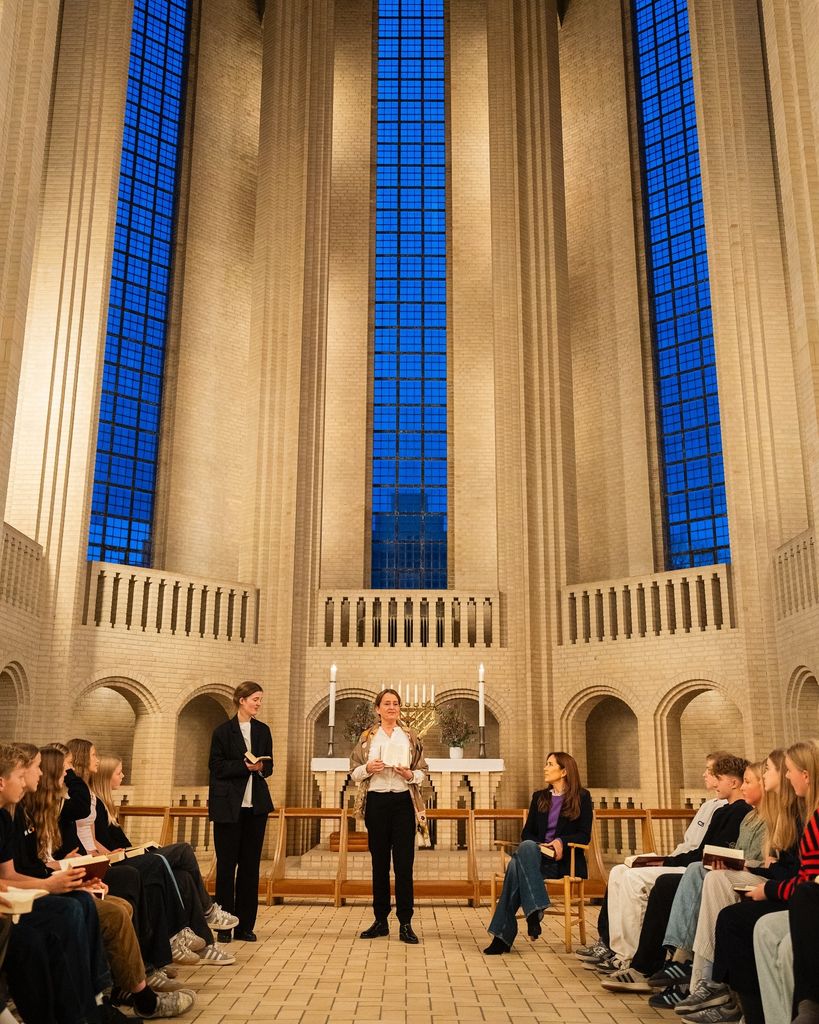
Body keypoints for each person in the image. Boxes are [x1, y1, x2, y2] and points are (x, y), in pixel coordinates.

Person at [578, 751, 729, 970]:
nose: (704, 774)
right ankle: (614, 946)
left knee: (634, 879)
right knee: (620, 870)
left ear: (727, 778)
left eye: (710, 771)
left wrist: (666, 862)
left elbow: (700, 853)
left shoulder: (726, 810)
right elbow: (688, 845)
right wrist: (664, 859)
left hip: (689, 866)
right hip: (679, 858)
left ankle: (629, 956)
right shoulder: (708, 806)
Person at [710, 740, 819, 1024]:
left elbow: (803, 878)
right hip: (798, 894)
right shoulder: (800, 814)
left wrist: (767, 887)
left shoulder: (803, 815)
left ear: (805, 775)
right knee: (754, 923)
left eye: (787, 770)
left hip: (800, 897)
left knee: (745, 921)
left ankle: (719, 991)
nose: (785, 775)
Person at [92, 754, 237, 965]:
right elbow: (93, 843)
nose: (123, 776)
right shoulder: (93, 805)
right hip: (116, 863)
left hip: (124, 856)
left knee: (183, 877)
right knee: (183, 851)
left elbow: (119, 843)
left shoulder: (107, 804)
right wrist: (115, 853)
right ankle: (207, 911)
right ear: (105, 777)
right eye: (118, 772)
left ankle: (206, 945)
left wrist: (137, 848)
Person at [483, 751, 593, 954]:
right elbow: (527, 833)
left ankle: (503, 938)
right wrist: (540, 846)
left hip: (562, 863)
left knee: (515, 866)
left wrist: (561, 842)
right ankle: (535, 909)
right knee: (526, 847)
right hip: (536, 859)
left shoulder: (582, 798)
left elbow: (584, 835)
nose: (545, 768)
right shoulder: (539, 797)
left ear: (564, 771)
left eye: (550, 764)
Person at [349, 688, 428, 944]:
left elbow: (423, 772)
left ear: (399, 708)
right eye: (387, 703)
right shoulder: (367, 738)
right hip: (377, 801)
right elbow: (353, 772)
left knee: (404, 865)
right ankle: (380, 920)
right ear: (378, 709)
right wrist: (367, 768)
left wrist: (410, 775)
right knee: (379, 864)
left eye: (395, 703)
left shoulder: (410, 736)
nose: (391, 707)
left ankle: (406, 923)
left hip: (403, 802)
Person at [208, 681, 274, 942]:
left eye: (260, 699)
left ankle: (246, 925)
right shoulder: (223, 731)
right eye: (255, 699)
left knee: (250, 867)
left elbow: (270, 766)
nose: (258, 703)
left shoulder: (263, 730)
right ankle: (224, 926)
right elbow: (215, 766)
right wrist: (244, 766)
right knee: (226, 867)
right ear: (241, 700)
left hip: (255, 806)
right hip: (228, 806)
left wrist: (261, 768)